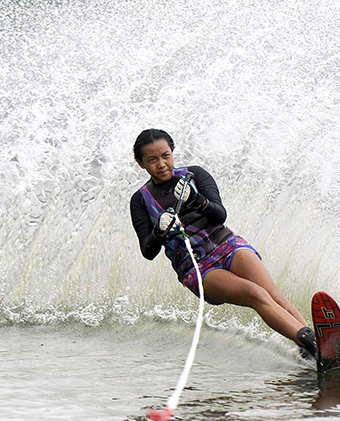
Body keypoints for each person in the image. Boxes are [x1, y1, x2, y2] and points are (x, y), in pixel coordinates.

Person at [129, 128, 316, 358]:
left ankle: (311, 347)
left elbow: (220, 215)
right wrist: (158, 231)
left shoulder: (194, 175)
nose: (161, 164)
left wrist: (195, 199)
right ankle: (310, 341)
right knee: (255, 293)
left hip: (227, 245)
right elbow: (148, 251)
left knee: (273, 294)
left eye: (166, 155)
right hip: (197, 268)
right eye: (152, 160)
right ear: (141, 164)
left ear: (172, 152)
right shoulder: (140, 200)